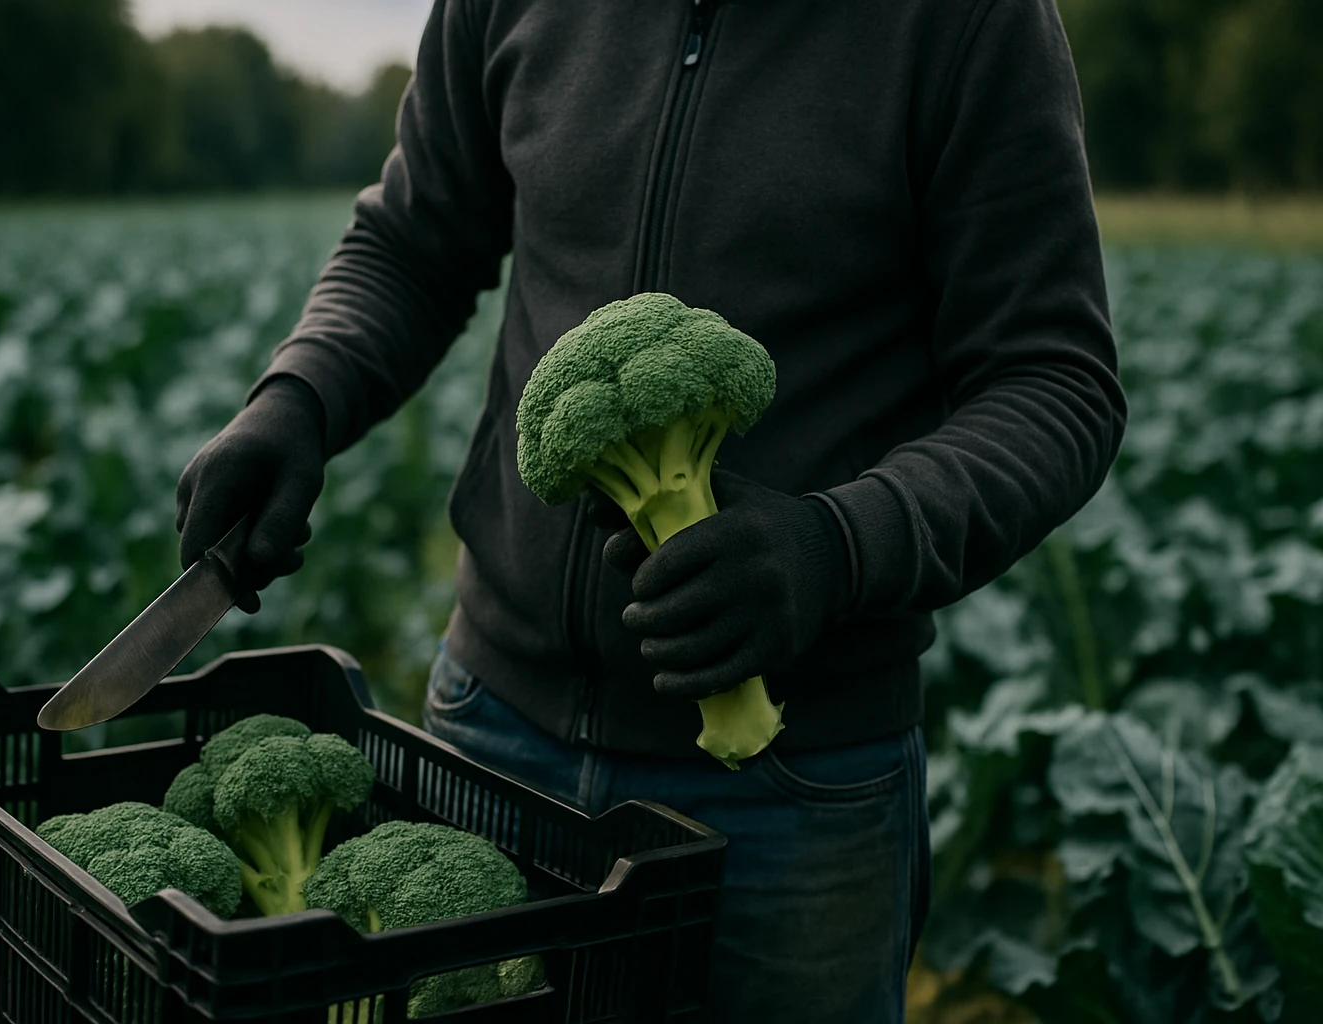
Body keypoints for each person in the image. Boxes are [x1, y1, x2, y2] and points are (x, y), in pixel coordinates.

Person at [174, 0, 1127, 1019]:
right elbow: (414, 241)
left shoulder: (969, 23)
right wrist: (301, 395)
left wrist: (837, 546)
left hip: (796, 786)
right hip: (493, 733)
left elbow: (1053, 381)